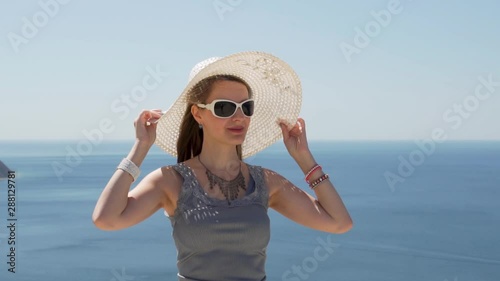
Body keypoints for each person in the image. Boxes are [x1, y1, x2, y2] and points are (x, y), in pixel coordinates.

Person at [92, 51, 353, 281]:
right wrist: (140, 148)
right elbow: (107, 219)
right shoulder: (171, 182)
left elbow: (339, 223)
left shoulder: (266, 183)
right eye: (225, 107)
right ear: (198, 114)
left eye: (245, 107)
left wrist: (304, 158)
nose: (239, 116)